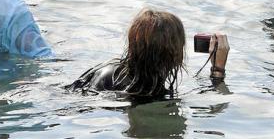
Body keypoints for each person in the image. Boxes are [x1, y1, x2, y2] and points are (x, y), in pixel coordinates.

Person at [66, 9, 229, 98]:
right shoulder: (145, 92)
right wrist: (218, 71)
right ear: (173, 55)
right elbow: (211, 102)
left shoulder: (112, 68)